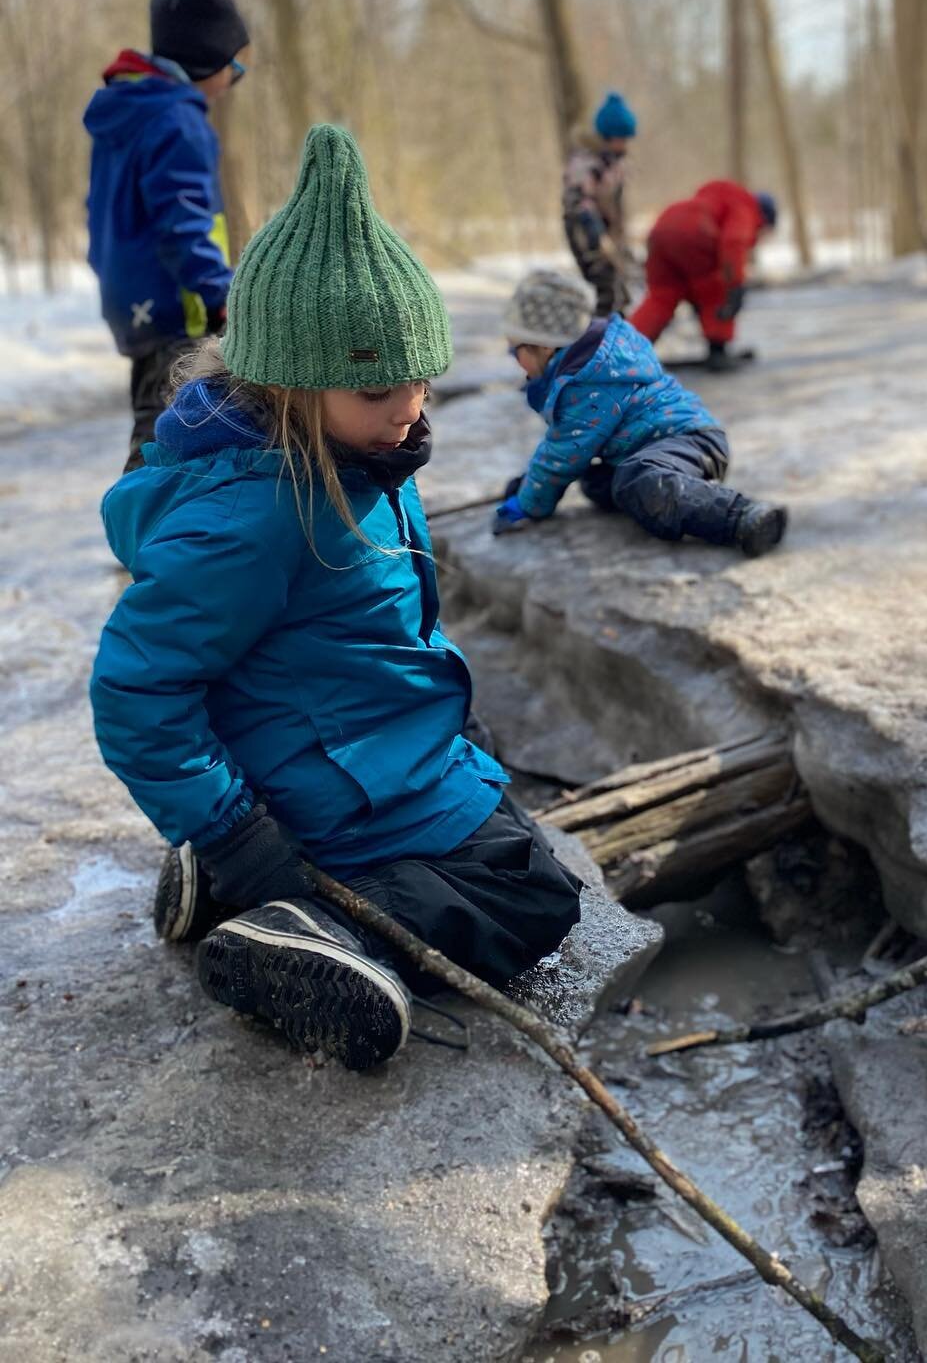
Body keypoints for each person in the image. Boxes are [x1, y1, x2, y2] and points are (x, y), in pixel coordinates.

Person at [89, 124, 582, 1071]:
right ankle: (316, 939)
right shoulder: (257, 515)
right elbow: (134, 688)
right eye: (380, 390)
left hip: (353, 753)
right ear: (288, 385)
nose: (411, 408)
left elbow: (377, 625)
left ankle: (243, 886)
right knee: (533, 893)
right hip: (327, 787)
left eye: (420, 384)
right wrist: (237, 829)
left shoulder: (358, 454)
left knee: (506, 825)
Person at [491, 269, 787, 556]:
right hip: (660, 446)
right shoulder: (594, 357)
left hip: (689, 442)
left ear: (543, 346)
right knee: (598, 482)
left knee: (637, 480)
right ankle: (675, 494)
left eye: (514, 351)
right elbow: (567, 452)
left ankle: (741, 517)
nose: (515, 361)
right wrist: (531, 481)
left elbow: (562, 455)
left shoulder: (585, 382)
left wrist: (528, 503)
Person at [85, 0, 251, 472]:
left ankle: (160, 534)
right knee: (171, 434)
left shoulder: (129, 113)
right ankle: (151, 541)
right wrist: (221, 295)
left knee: (157, 422)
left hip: (137, 305)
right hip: (180, 307)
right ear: (205, 59)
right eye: (233, 63)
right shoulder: (176, 121)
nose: (235, 75)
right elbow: (183, 223)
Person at [630, 180, 778, 370]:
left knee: (662, 296)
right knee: (716, 287)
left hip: (663, 226)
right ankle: (718, 350)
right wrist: (736, 286)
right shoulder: (746, 206)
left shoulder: (717, 198)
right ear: (765, 218)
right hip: (695, 231)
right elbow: (734, 241)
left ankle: (627, 350)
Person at [563, 91, 638, 317]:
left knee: (621, 292)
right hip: (586, 234)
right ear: (607, 136)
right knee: (608, 290)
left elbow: (615, 206)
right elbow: (577, 204)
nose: (624, 145)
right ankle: (601, 343)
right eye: (620, 139)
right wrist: (595, 235)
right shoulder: (586, 163)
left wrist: (620, 242)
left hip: (609, 235)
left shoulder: (613, 164)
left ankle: (618, 340)